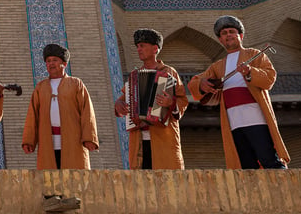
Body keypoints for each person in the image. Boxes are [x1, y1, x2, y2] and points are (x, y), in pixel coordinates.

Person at [188, 15, 288, 169]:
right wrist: (202, 84)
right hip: (233, 123)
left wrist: (249, 72)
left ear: (240, 35)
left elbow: (269, 78)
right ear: (220, 40)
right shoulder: (218, 66)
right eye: (224, 33)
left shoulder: (255, 54)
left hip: (256, 119)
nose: (228, 35)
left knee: (269, 161)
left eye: (232, 31)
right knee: (246, 166)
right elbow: (194, 83)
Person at [113, 28, 187, 169]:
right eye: (137, 46)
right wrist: (118, 104)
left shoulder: (169, 72)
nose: (139, 49)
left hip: (163, 136)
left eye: (142, 46)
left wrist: (170, 103)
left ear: (155, 49)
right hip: (139, 137)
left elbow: (182, 99)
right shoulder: (135, 76)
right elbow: (123, 99)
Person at [22, 43, 99, 169]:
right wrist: (29, 140)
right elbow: (32, 115)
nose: (51, 64)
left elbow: (87, 112)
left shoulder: (76, 84)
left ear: (64, 63)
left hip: (73, 139)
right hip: (48, 140)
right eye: (48, 61)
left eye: (55, 60)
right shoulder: (41, 87)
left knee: (74, 179)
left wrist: (89, 138)